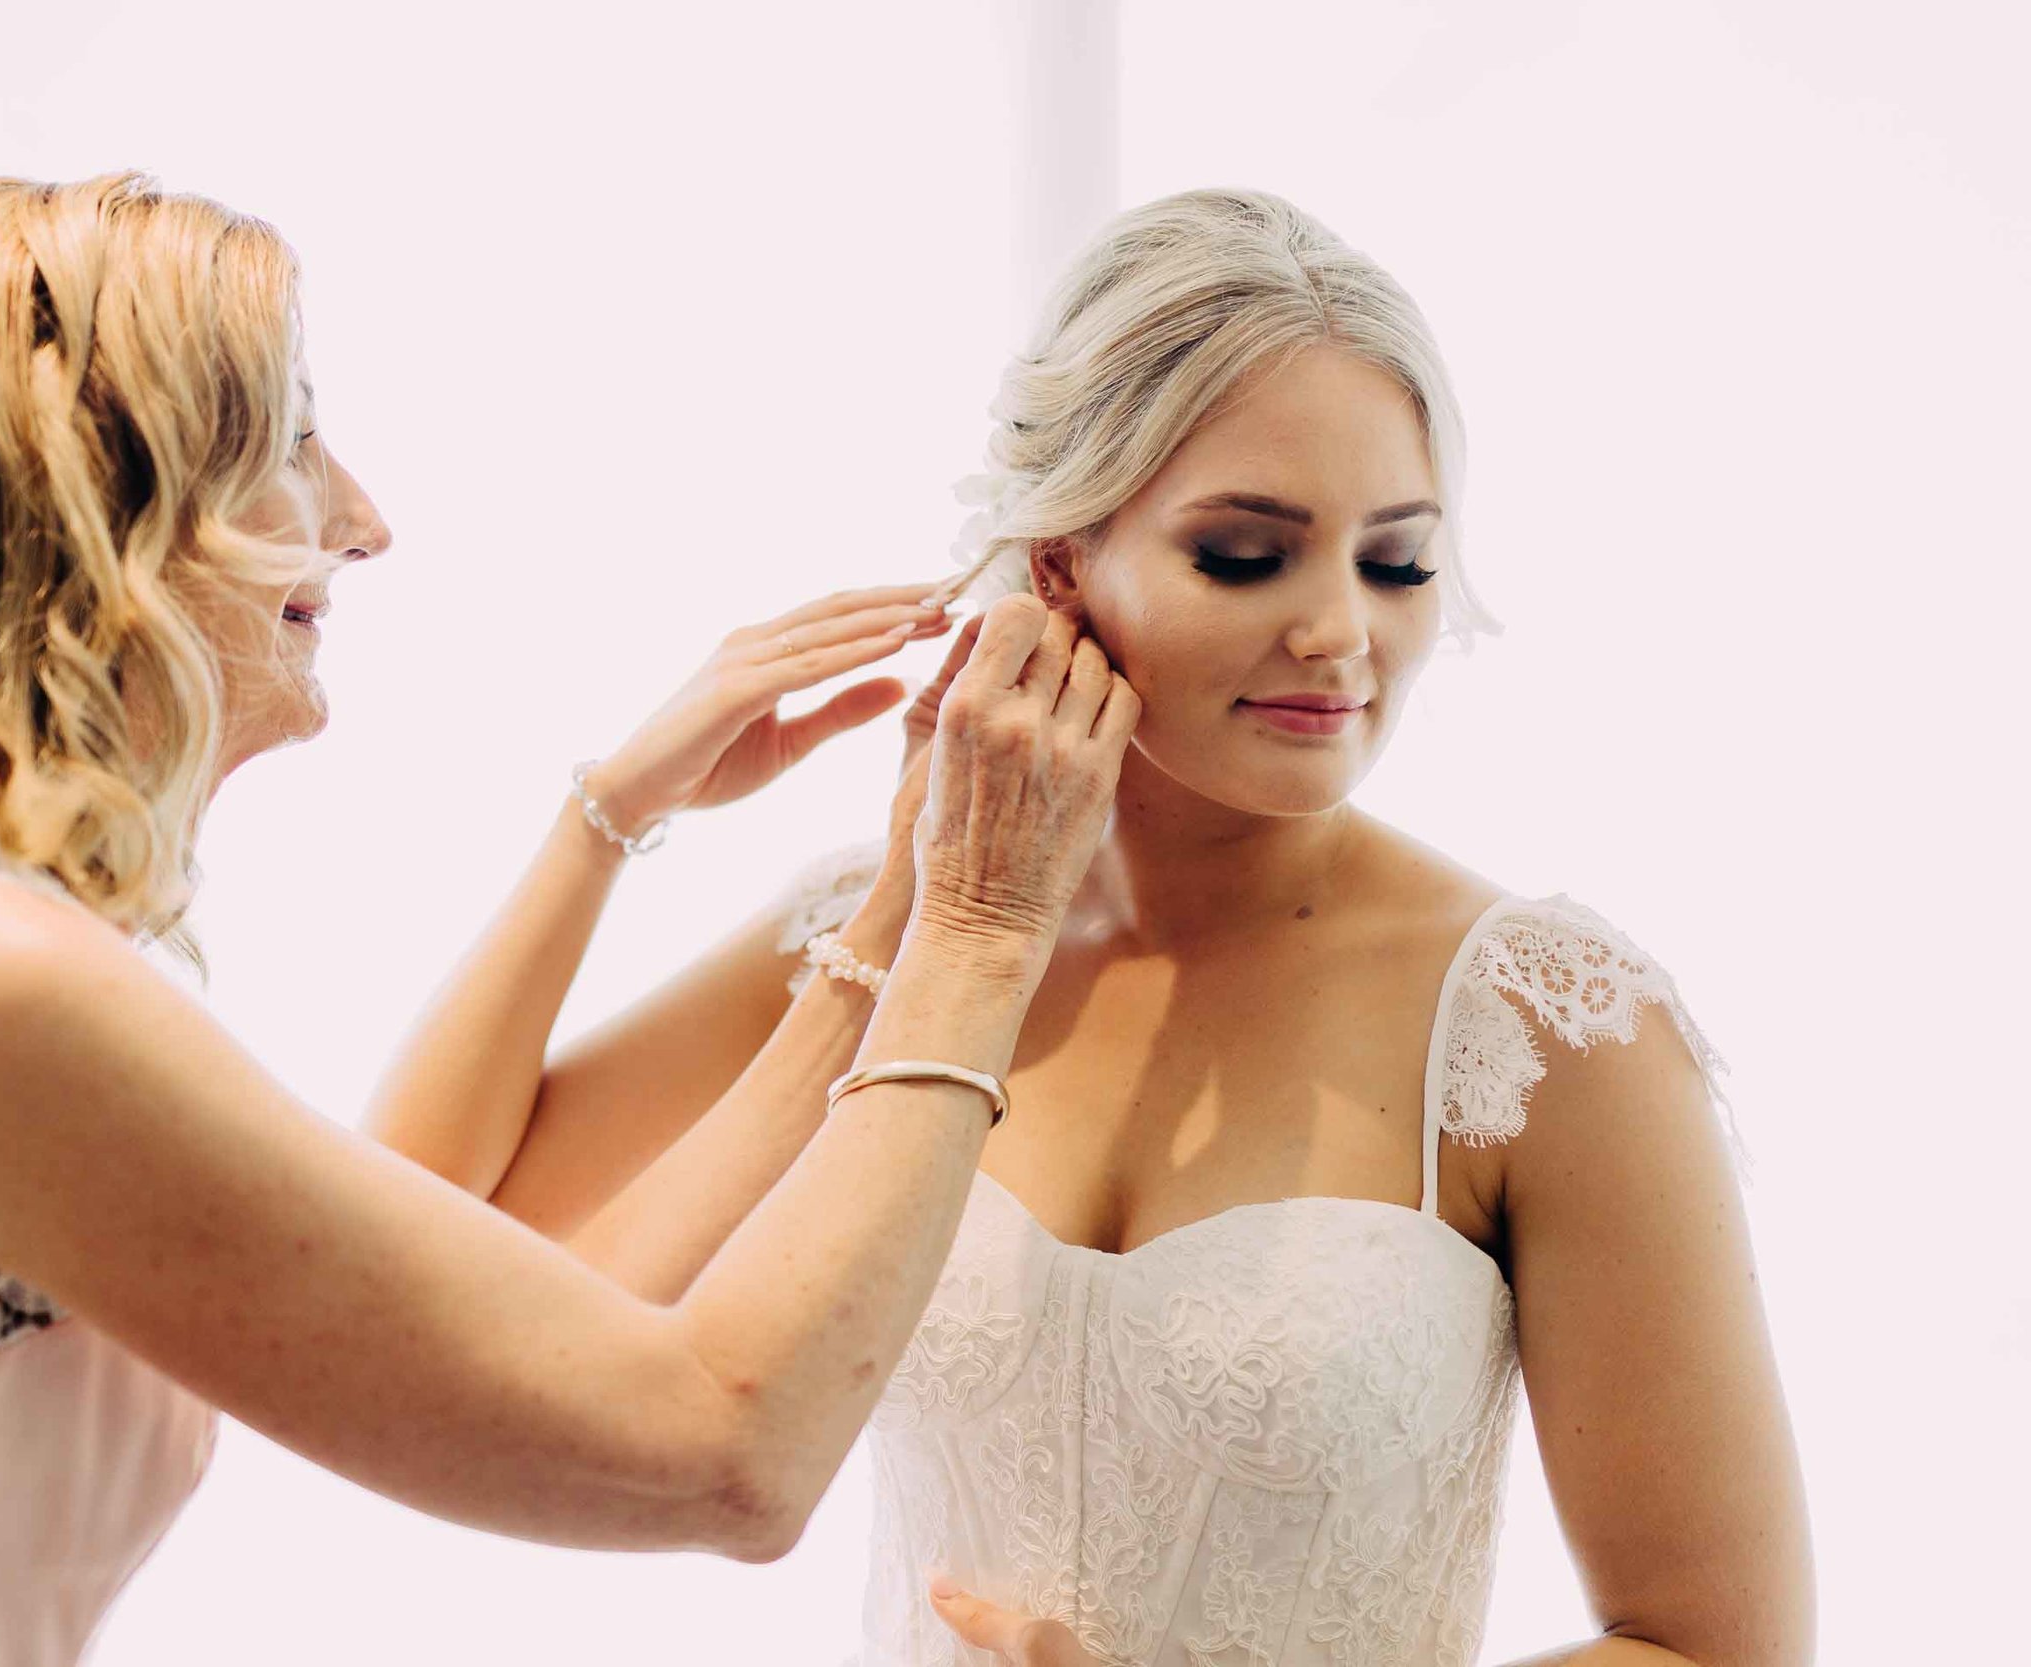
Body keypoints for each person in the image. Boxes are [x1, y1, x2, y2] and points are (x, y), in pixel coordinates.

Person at [0, 170, 1144, 1666]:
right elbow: (726, 1453)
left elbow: (463, 1261)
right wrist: (983, 926)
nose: (365, 518)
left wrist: (621, 824)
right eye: (295, 439)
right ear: (100, 498)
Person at [397, 189, 1817, 1666]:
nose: (1344, 632)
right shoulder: (883, 942)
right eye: (1248, 556)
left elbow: (1721, 1645)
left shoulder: (1548, 1028)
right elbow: (417, 1267)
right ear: (1064, 559)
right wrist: (603, 819)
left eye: (1396, 561)